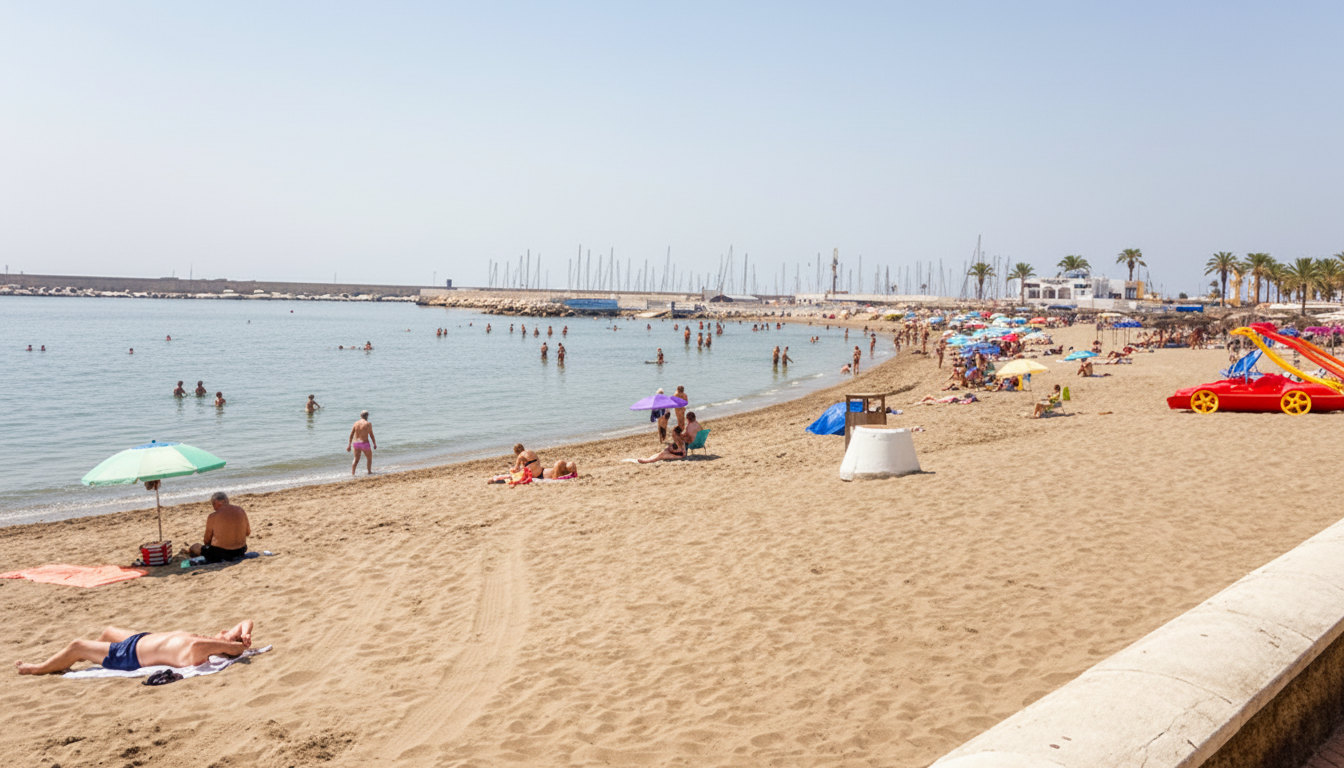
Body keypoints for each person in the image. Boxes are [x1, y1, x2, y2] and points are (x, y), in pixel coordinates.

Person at [15, 620, 255, 675]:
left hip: (129, 655)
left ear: (221, 645)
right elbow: (245, 622)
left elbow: (234, 650)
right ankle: (96, 657)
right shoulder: (207, 641)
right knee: (109, 630)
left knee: (76, 645)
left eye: (226, 634)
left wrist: (236, 645)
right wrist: (243, 633)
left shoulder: (199, 647)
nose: (224, 631)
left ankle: (38, 668)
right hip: (141, 639)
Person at [187, 491, 251, 562]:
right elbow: (248, 532)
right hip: (241, 550)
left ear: (216, 503)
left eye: (213, 505)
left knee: (195, 547)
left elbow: (206, 541)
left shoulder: (213, 516)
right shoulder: (241, 510)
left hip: (221, 553)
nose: (214, 508)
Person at [347, 410, 377, 474]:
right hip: (364, 443)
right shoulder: (368, 424)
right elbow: (371, 435)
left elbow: (351, 435)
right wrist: (374, 443)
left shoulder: (355, 423)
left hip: (356, 443)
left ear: (361, 416)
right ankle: (369, 471)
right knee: (369, 457)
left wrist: (349, 445)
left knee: (356, 459)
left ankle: (353, 473)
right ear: (367, 416)